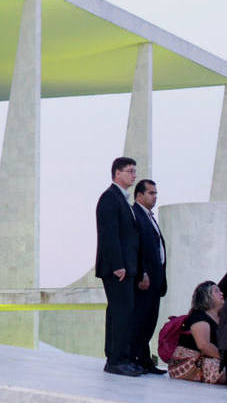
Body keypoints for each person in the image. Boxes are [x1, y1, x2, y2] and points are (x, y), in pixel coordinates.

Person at [95, 157, 141, 376]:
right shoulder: (110, 198)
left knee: (120, 312)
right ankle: (117, 360)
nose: (134, 175)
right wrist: (118, 265)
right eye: (129, 171)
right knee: (121, 313)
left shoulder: (122, 199)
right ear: (117, 173)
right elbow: (109, 235)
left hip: (126, 268)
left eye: (134, 171)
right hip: (117, 270)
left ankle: (118, 356)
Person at [130, 179, 167, 374]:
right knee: (140, 320)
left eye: (155, 193)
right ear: (139, 196)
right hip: (145, 280)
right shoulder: (135, 215)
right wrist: (142, 273)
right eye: (151, 193)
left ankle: (144, 360)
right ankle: (135, 359)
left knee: (149, 321)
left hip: (156, 280)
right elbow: (136, 248)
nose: (155, 197)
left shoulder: (149, 217)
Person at [168, 281, 227, 384]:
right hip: (188, 364)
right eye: (216, 291)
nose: (221, 293)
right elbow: (204, 345)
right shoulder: (198, 316)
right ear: (206, 296)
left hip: (205, 360)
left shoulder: (220, 319)